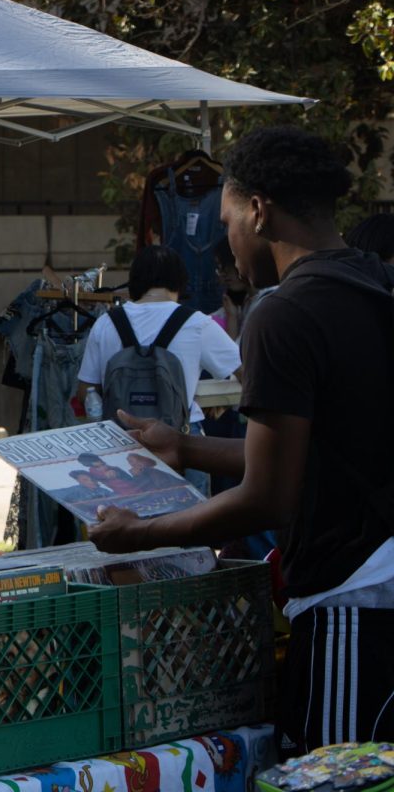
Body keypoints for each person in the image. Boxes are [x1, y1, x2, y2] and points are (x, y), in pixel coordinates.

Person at [90, 125, 394, 754]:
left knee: (333, 771)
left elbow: (267, 499)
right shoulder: (373, 282)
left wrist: (135, 536)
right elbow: (311, 450)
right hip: (378, 582)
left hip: (352, 597)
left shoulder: (283, 312)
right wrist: (186, 448)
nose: (225, 245)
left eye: (228, 220)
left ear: (259, 210)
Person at [77, 244, 241, 496]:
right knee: (190, 528)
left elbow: (85, 391)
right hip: (182, 443)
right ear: (179, 283)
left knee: (128, 528)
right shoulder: (196, 323)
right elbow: (247, 374)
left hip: (120, 445)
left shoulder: (106, 323)